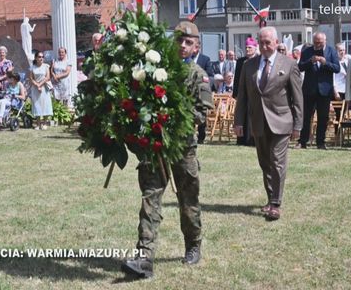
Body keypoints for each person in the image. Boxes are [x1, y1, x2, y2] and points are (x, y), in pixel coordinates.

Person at [121, 21, 213, 279]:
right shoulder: (157, 71)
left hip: (183, 148)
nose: (182, 46)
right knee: (150, 198)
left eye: (188, 42)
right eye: (179, 41)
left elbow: (202, 113)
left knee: (188, 201)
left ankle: (193, 243)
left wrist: (170, 120)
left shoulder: (198, 75)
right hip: (156, 147)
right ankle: (144, 259)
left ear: (196, 46)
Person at [234, 26, 303, 221]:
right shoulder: (249, 66)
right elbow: (243, 97)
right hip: (258, 121)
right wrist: (238, 121)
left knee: (277, 161)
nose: (264, 46)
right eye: (261, 42)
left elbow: (298, 98)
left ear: (276, 42)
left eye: (267, 42)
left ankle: (276, 203)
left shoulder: (289, 65)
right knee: (265, 162)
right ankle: (270, 197)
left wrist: (298, 125)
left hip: (282, 121)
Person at [296, 32, 340, 149]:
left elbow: (337, 69)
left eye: (319, 43)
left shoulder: (331, 51)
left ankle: (320, 142)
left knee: (323, 117)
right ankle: (302, 141)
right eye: (315, 42)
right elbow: (299, 67)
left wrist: (325, 63)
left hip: (325, 90)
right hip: (309, 90)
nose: (317, 45)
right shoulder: (307, 51)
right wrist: (310, 61)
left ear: (325, 41)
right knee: (306, 117)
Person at [232, 36, 258, 146]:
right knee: (242, 115)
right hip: (243, 92)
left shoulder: (258, 60)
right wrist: (236, 93)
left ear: (255, 48)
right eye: (246, 48)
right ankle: (241, 139)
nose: (247, 50)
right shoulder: (240, 61)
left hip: (254, 92)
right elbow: (236, 78)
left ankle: (252, 139)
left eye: (250, 48)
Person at [29, 51, 53, 130]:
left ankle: (45, 123)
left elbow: (47, 77)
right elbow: (31, 78)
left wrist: (40, 85)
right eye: (39, 57)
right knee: (37, 105)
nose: (41, 58)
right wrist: (36, 85)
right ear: (36, 58)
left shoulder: (46, 66)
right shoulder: (32, 67)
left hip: (44, 88)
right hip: (35, 89)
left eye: (42, 57)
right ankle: (38, 124)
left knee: (45, 104)